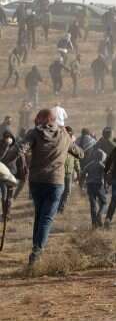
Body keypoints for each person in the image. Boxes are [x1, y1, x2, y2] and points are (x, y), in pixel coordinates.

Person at [18, 110, 83, 264]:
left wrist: (21, 165)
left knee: (39, 215)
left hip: (36, 182)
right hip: (55, 182)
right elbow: (80, 154)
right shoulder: (64, 135)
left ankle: (36, 249)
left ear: (40, 120)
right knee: (46, 218)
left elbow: (21, 149)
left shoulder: (34, 133)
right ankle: (37, 251)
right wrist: (71, 142)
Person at [81, 143, 108, 229]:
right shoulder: (101, 165)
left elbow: (83, 173)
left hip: (89, 185)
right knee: (104, 202)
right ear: (102, 157)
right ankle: (99, 215)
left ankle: (94, 224)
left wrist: (82, 183)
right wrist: (106, 186)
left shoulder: (90, 164)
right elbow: (106, 175)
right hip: (98, 185)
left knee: (93, 205)